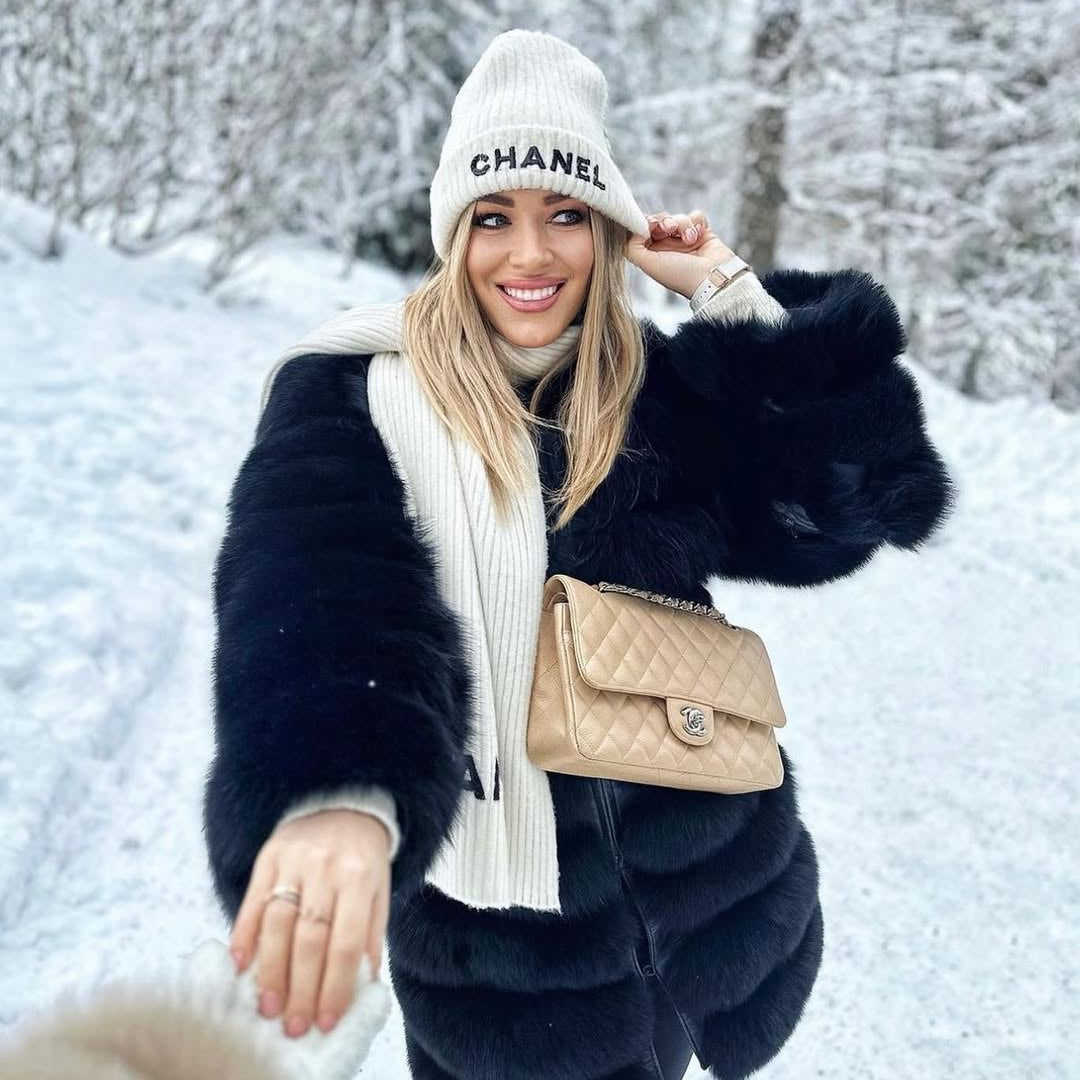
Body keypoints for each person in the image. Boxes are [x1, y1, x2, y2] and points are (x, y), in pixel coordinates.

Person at [202, 28, 955, 1080]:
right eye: (493, 216)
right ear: (452, 230)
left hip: (704, 904)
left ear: (605, 228)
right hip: (504, 962)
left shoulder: (651, 384)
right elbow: (315, 595)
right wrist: (337, 791)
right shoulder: (352, 393)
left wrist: (729, 294)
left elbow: (848, 504)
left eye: (566, 214)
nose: (530, 254)